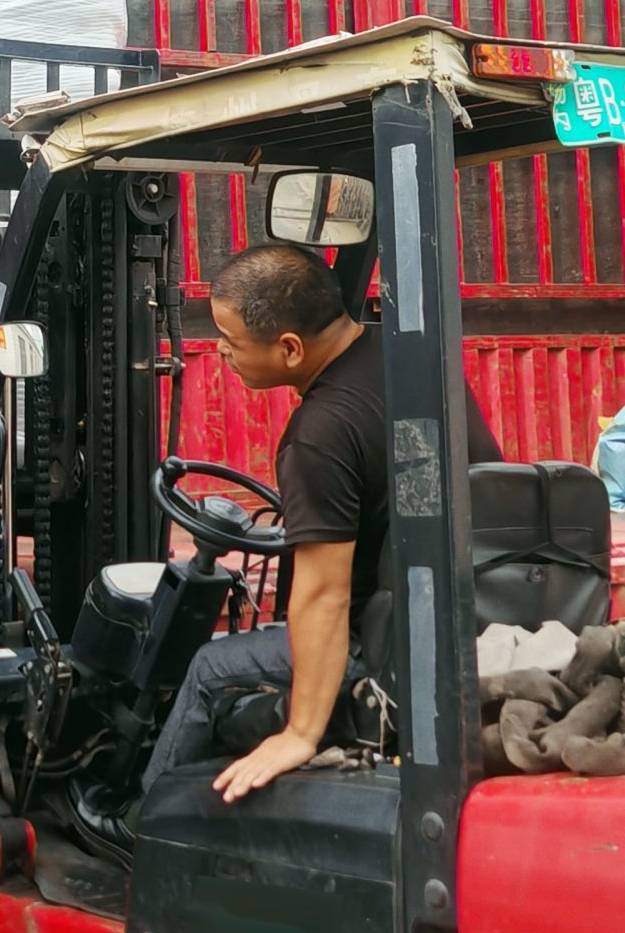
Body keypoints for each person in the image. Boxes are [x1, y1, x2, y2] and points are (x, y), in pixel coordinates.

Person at [144, 243, 501, 805]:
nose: (221, 351)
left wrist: (300, 733)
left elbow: (324, 596)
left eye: (231, 339)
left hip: (380, 646)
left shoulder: (320, 433)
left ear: (290, 349)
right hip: (457, 619)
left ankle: (141, 825)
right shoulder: (413, 361)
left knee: (210, 668)